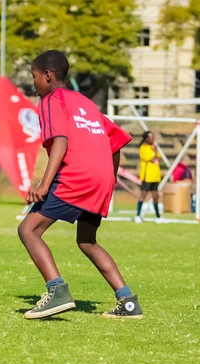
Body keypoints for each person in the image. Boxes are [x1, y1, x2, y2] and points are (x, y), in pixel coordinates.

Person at [17, 50, 143, 320]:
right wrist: (107, 177)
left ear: (48, 76)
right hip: (102, 179)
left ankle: (57, 291)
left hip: (76, 176)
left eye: (35, 77)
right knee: (87, 241)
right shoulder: (85, 103)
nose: (34, 83)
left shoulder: (51, 100)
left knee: (28, 230)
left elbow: (60, 141)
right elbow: (117, 140)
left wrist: (43, 184)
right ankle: (128, 302)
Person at [134, 131, 162, 223]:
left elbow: (159, 158)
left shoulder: (154, 147)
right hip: (147, 176)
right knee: (143, 195)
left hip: (155, 175)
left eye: (154, 137)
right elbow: (152, 158)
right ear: (146, 138)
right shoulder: (143, 148)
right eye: (151, 137)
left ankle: (158, 217)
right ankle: (138, 216)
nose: (153, 139)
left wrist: (155, 151)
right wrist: (155, 151)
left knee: (155, 196)